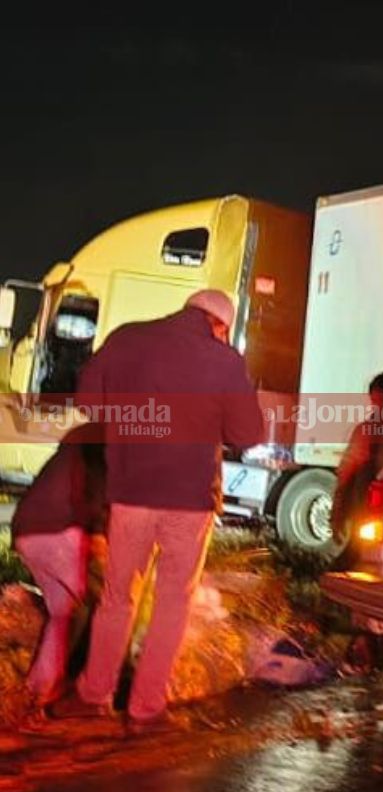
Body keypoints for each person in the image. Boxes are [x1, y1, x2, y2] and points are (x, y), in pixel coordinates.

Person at [50, 289, 264, 730]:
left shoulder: (127, 339)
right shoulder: (224, 360)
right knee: (172, 602)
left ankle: (94, 695)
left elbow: (88, 405)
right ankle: (145, 709)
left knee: (116, 597)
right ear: (220, 325)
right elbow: (248, 435)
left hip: (131, 492)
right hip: (189, 500)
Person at [11, 423, 106, 711]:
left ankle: (50, 679)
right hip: (57, 530)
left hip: (26, 527)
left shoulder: (86, 435)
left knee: (68, 605)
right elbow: (99, 489)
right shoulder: (110, 442)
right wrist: (101, 532)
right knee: (72, 608)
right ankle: (43, 688)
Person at [333, 370, 383, 543]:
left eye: (382, 403)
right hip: (370, 517)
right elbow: (346, 473)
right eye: (376, 403)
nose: (378, 409)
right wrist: (338, 512)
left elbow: (346, 474)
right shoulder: (368, 431)